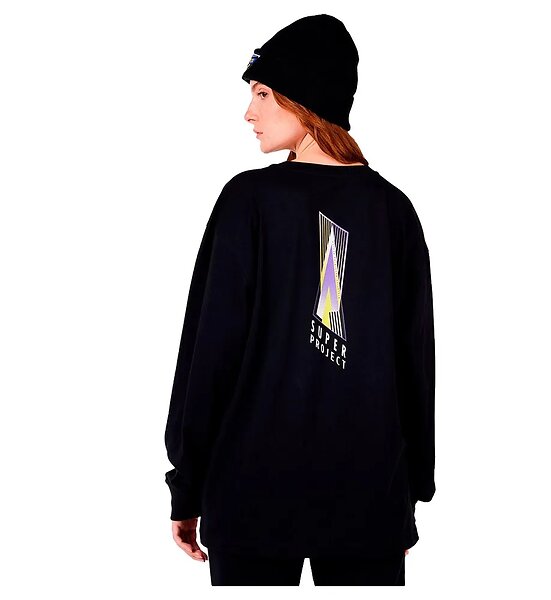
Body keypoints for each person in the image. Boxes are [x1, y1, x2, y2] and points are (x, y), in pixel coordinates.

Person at [164, 14, 436, 586]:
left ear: (305, 97)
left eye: (262, 93)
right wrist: (410, 491)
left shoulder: (249, 200)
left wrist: (187, 486)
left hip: (249, 494)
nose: (249, 112)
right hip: (369, 499)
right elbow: (416, 366)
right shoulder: (393, 210)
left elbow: (208, 353)